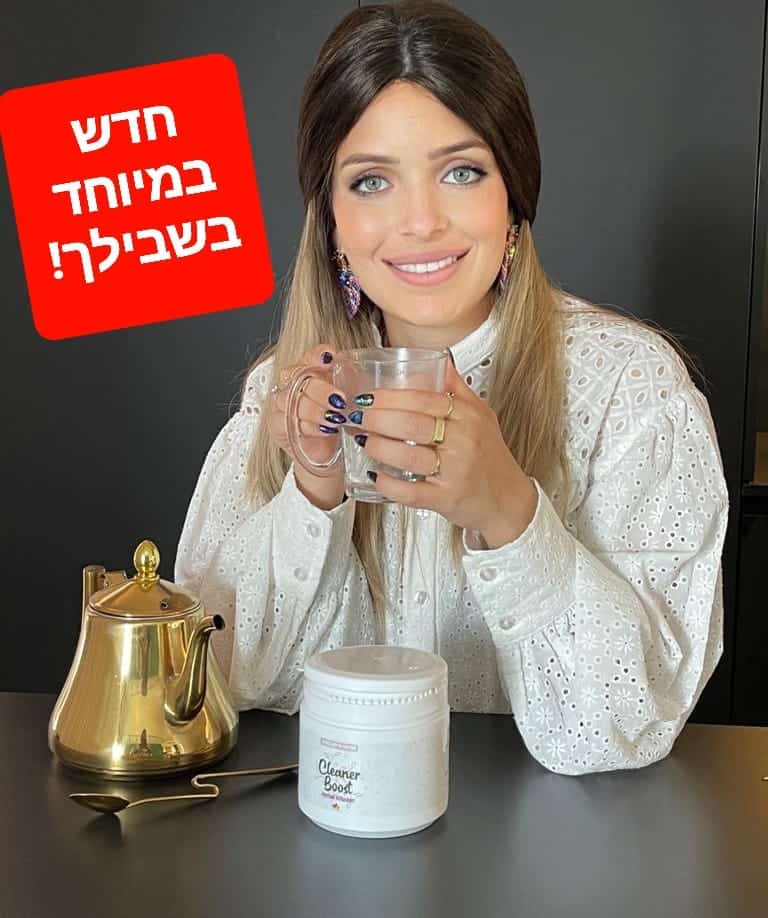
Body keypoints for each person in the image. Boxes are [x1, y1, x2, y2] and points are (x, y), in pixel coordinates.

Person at [174, 0, 728, 775]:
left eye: (461, 172)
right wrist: (313, 493)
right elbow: (211, 681)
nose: (421, 222)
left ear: (513, 197)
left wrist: (509, 512)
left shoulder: (628, 389)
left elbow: (623, 729)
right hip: (332, 828)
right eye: (372, 181)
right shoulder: (286, 392)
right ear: (330, 220)